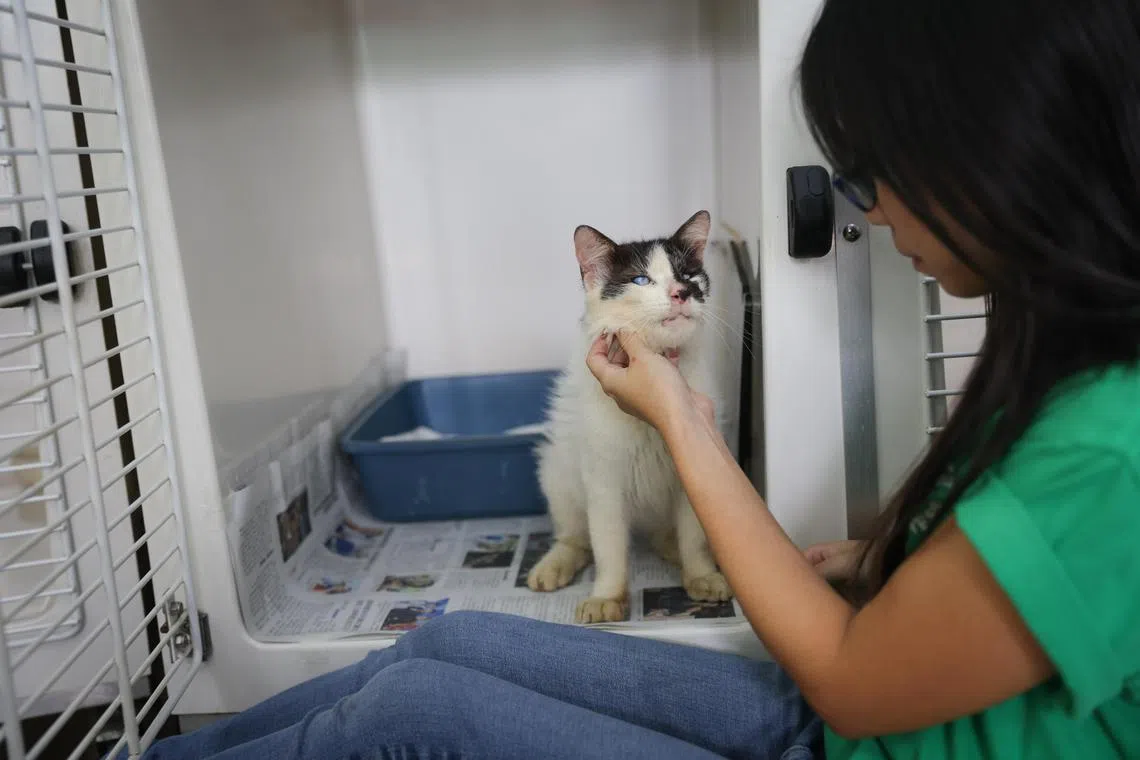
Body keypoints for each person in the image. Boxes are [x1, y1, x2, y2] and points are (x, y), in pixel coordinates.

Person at [126, 0, 1140, 757]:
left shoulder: (1109, 443)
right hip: (856, 725)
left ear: (1004, 154)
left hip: (851, 726)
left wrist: (682, 420)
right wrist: (904, 559)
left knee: (414, 714)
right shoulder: (1072, 379)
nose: (868, 215)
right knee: (446, 641)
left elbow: (854, 685)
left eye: (874, 178)